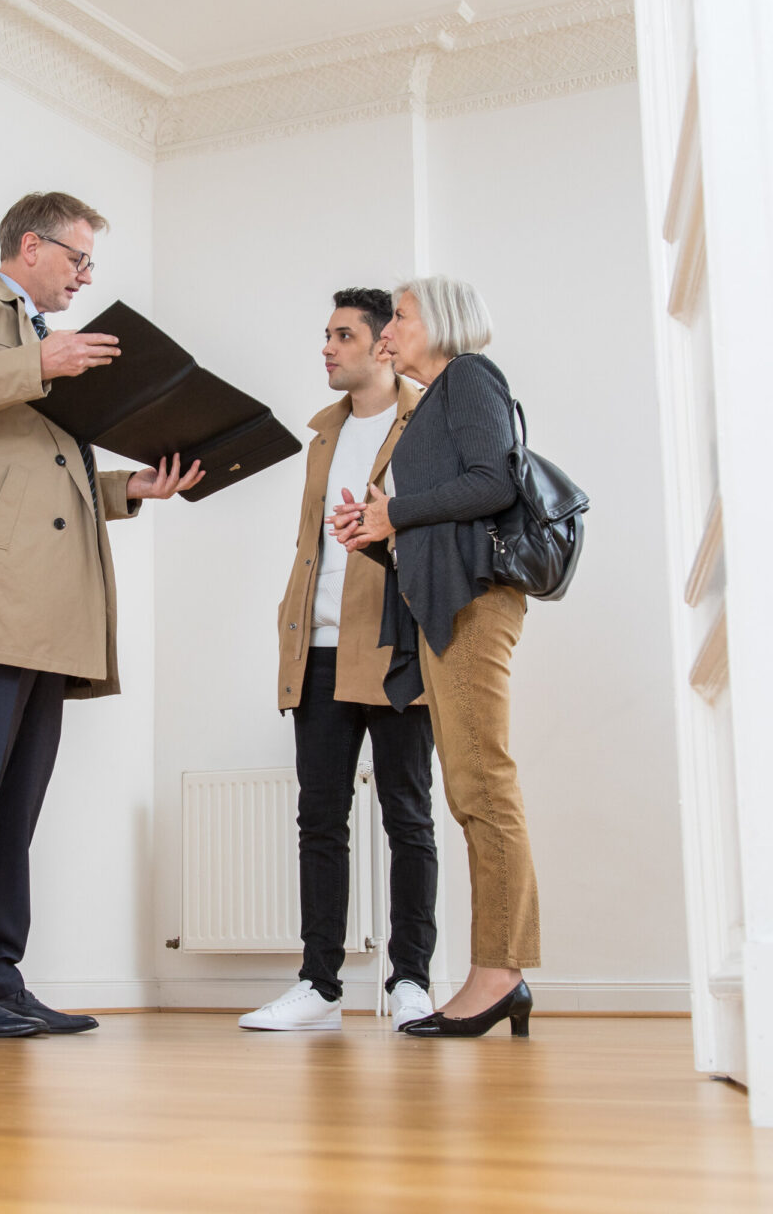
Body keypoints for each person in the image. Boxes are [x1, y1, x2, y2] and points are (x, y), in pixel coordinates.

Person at [0, 192, 202, 1038]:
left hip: (48, 602)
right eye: (77, 259)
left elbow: (34, 478)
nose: (85, 276)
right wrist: (41, 364)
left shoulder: (42, 345)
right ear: (31, 246)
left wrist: (128, 489)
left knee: (16, 798)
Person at [333, 277, 538, 1039]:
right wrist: (380, 532)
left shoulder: (471, 377)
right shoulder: (434, 401)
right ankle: (494, 973)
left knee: (484, 784)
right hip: (445, 604)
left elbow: (494, 481)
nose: (390, 328)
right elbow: (442, 516)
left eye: (403, 317)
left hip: (474, 606)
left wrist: (396, 511)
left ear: (443, 323)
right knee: (469, 790)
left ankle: (500, 973)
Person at [239, 289, 440, 1034]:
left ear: (384, 343)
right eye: (325, 335)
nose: (328, 348)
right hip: (316, 649)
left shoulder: (428, 419)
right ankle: (320, 985)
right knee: (319, 819)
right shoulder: (323, 432)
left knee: (407, 816)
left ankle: (411, 979)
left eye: (344, 335)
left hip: (394, 646)